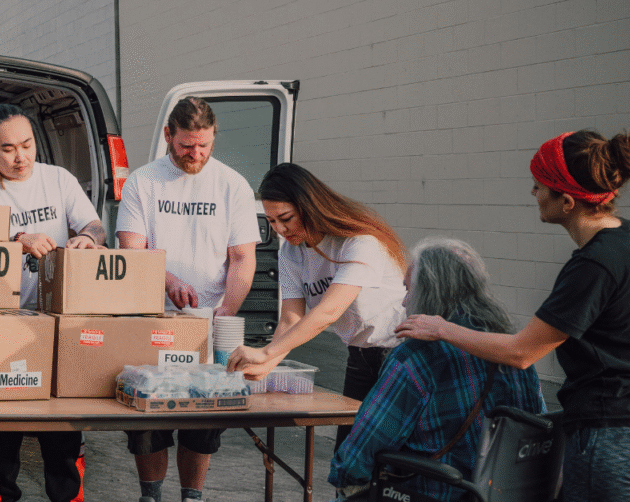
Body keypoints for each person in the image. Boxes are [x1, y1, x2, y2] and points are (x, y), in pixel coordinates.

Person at [396, 130, 630, 501]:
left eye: (539, 186)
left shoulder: (594, 265)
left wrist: (441, 327)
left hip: (609, 431)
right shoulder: (623, 243)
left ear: (567, 201)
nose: (533, 194)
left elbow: (522, 353)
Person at [116, 96, 260, 502]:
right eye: (186, 146)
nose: (195, 154)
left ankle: (191, 496)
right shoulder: (144, 182)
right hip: (154, 319)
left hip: (209, 324)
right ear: (168, 136)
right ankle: (151, 495)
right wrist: (168, 280)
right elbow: (132, 248)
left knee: (204, 419)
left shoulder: (232, 184)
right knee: (149, 418)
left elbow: (243, 256)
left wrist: (227, 310)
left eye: (204, 146)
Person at [0, 103, 104, 502]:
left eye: (27, 145)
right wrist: (16, 238)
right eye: (8, 149)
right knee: (3, 437)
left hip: (57, 324)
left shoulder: (58, 179)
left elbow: (94, 224)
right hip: (0, 326)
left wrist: (89, 239)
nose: (20, 157)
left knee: (61, 436)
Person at [329, 237, 545, 501]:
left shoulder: (416, 358)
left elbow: (369, 440)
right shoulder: (509, 347)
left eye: (408, 289)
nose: (404, 302)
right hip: (503, 493)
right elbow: (536, 428)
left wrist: (344, 480)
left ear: (428, 292)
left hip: (431, 492)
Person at [226, 162, 408, 450]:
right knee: (348, 454)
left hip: (399, 354)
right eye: (272, 222)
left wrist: (265, 352)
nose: (281, 229)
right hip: (360, 355)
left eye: (286, 218)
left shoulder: (358, 241)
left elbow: (328, 312)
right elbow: (290, 318)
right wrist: (267, 364)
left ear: (309, 206)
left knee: (383, 454)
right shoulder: (291, 252)